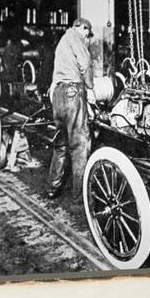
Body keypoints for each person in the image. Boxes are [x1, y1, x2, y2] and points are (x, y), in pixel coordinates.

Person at [47, 18, 96, 199]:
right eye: (87, 32)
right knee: (80, 144)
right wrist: (91, 89)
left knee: (60, 143)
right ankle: (80, 195)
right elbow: (85, 64)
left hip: (58, 93)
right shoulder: (75, 37)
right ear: (81, 27)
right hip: (72, 93)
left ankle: (52, 187)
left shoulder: (62, 41)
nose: (86, 37)